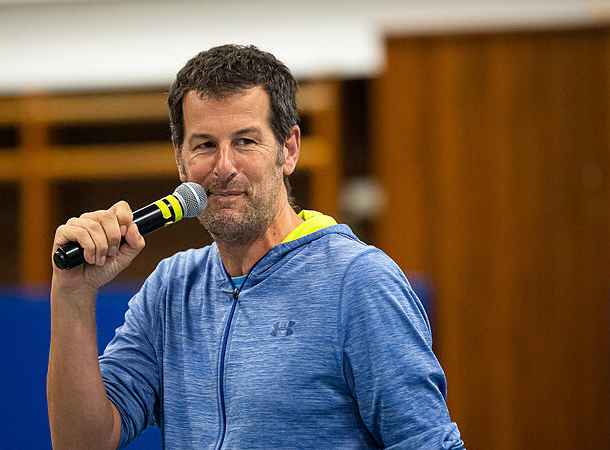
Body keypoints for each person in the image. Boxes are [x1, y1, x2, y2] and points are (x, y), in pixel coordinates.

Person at [47, 44, 464, 449]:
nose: (224, 167)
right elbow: (83, 443)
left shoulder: (358, 283)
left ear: (289, 150)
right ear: (181, 160)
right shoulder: (171, 289)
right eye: (205, 144)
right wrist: (72, 294)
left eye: (246, 141)